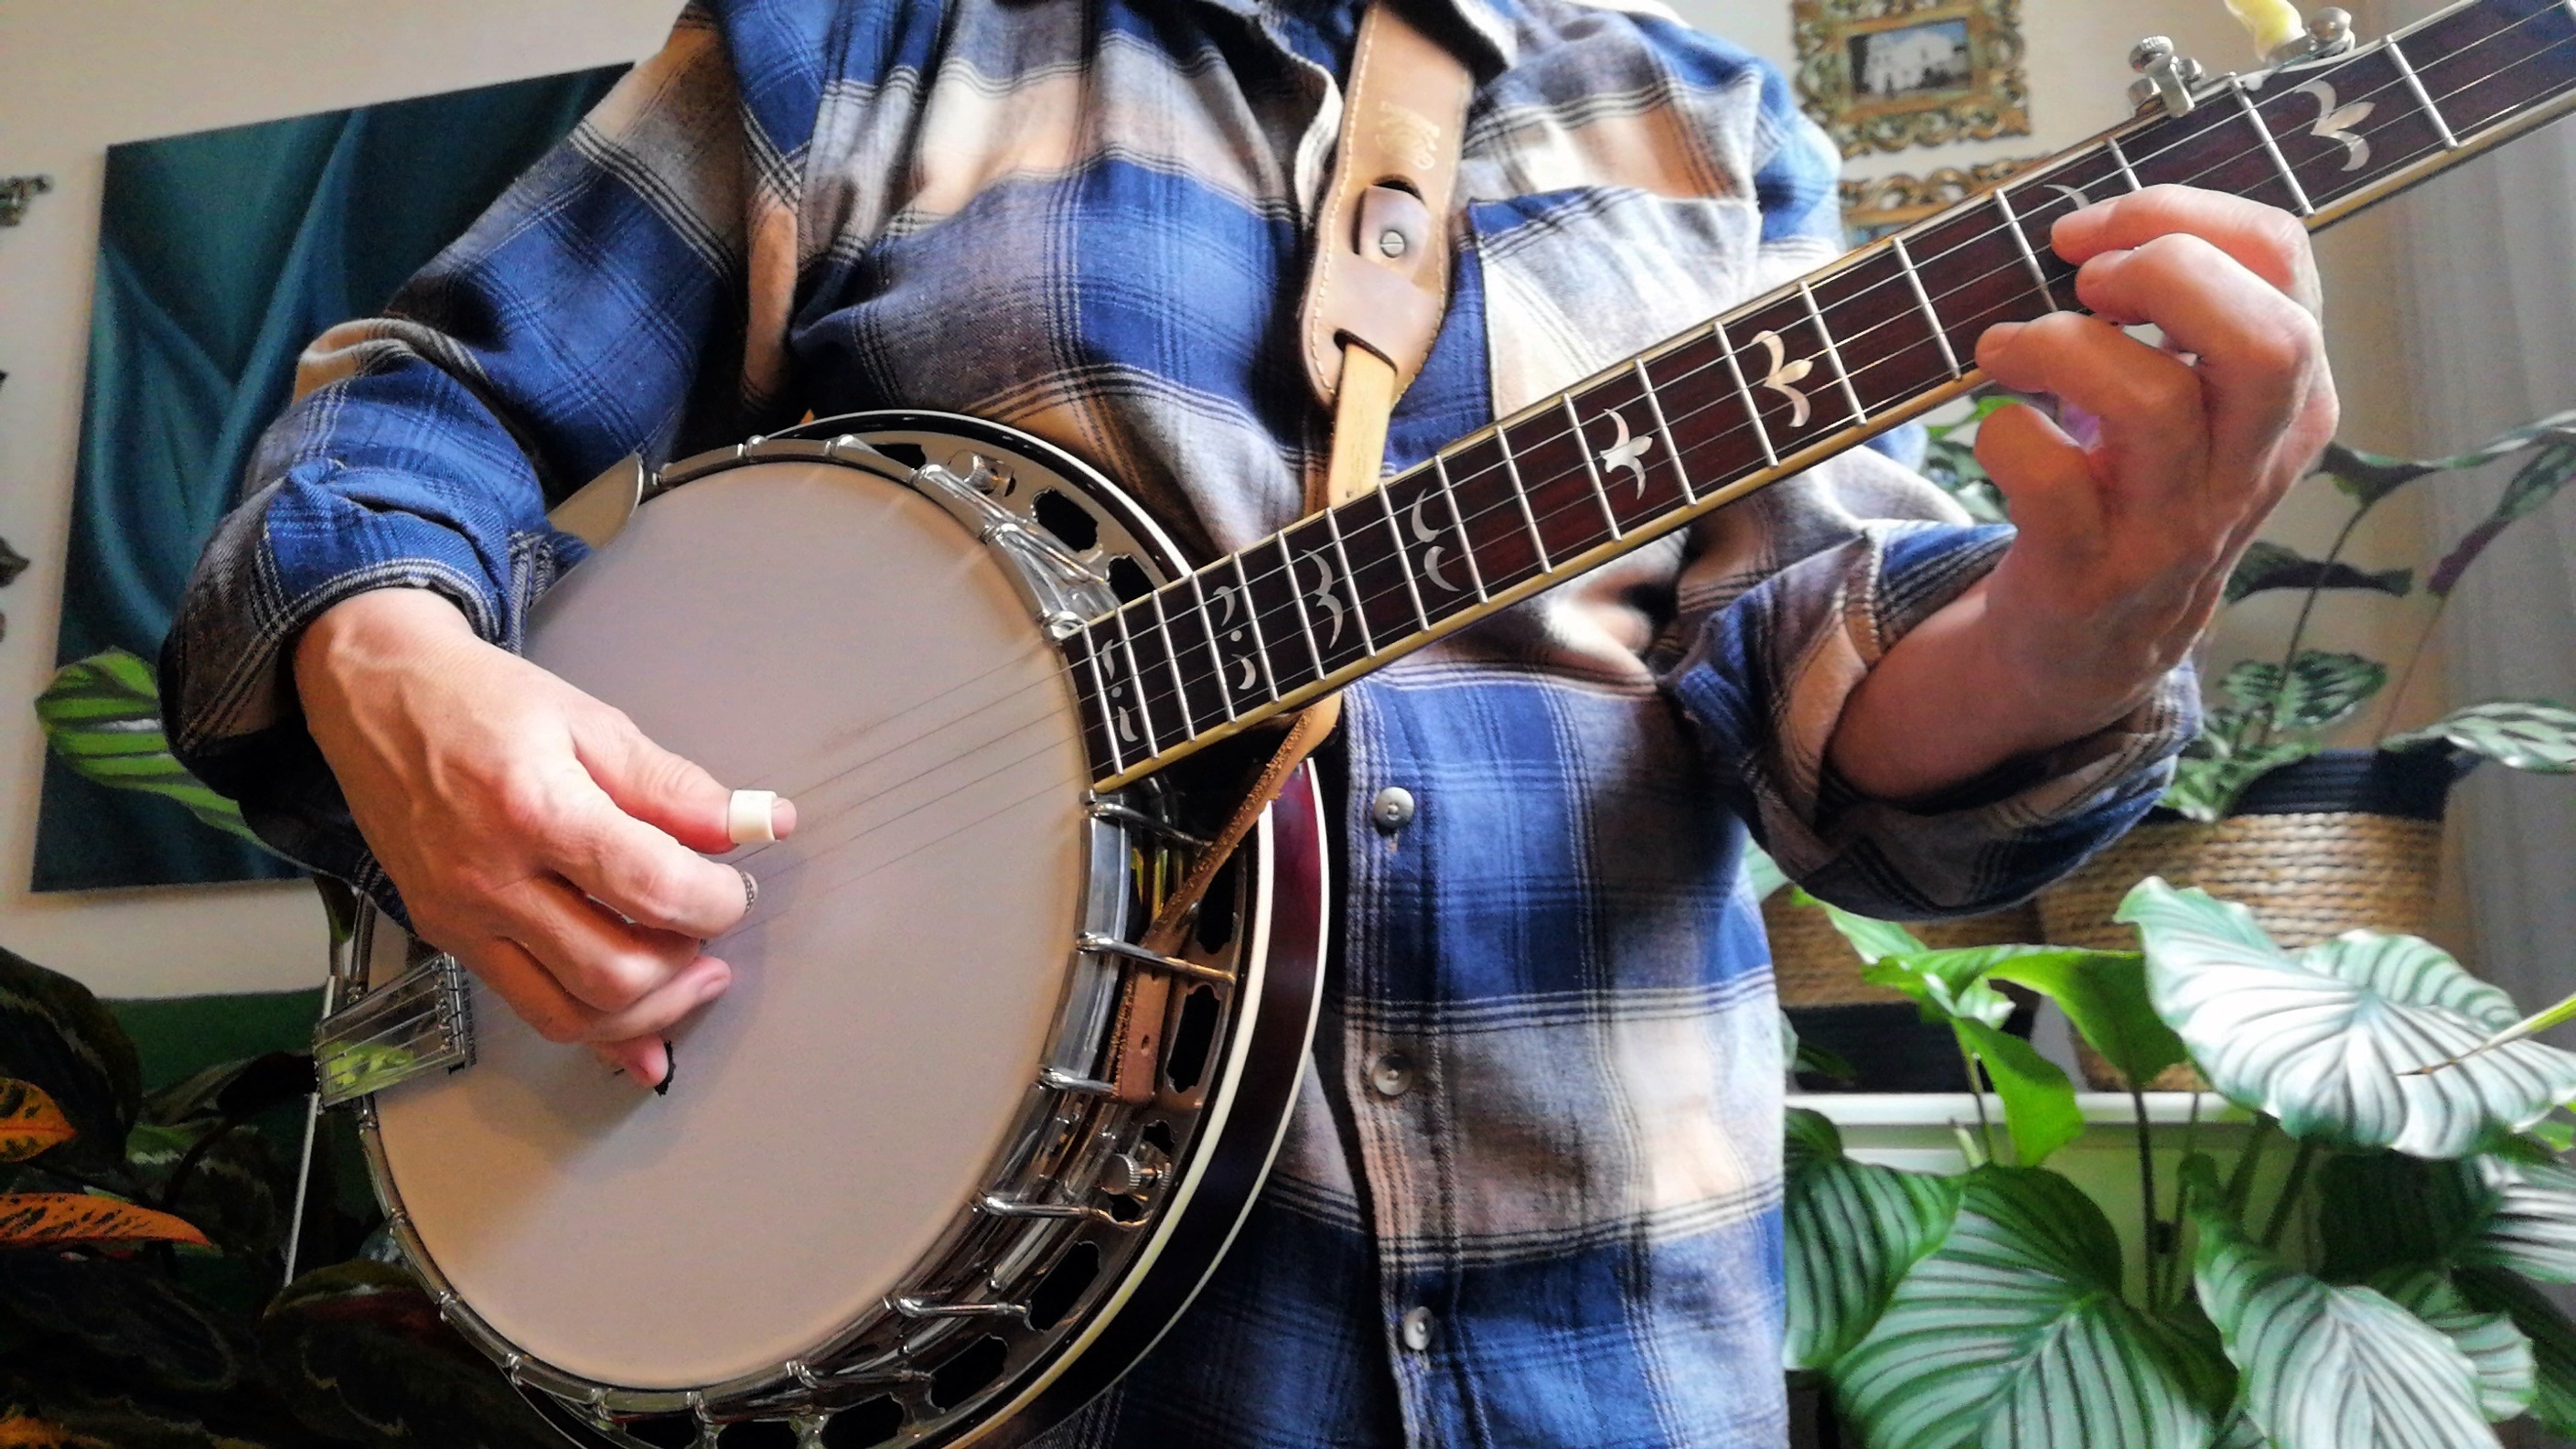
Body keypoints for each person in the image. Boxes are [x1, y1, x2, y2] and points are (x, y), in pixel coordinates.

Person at [162, 0, 2337, 1443]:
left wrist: (2087, 616)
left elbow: (1828, 711)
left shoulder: (1690, 113)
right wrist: (397, 667)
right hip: (1014, 1386)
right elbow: (407, 416)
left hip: (1608, 1352)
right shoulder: (857, 44)